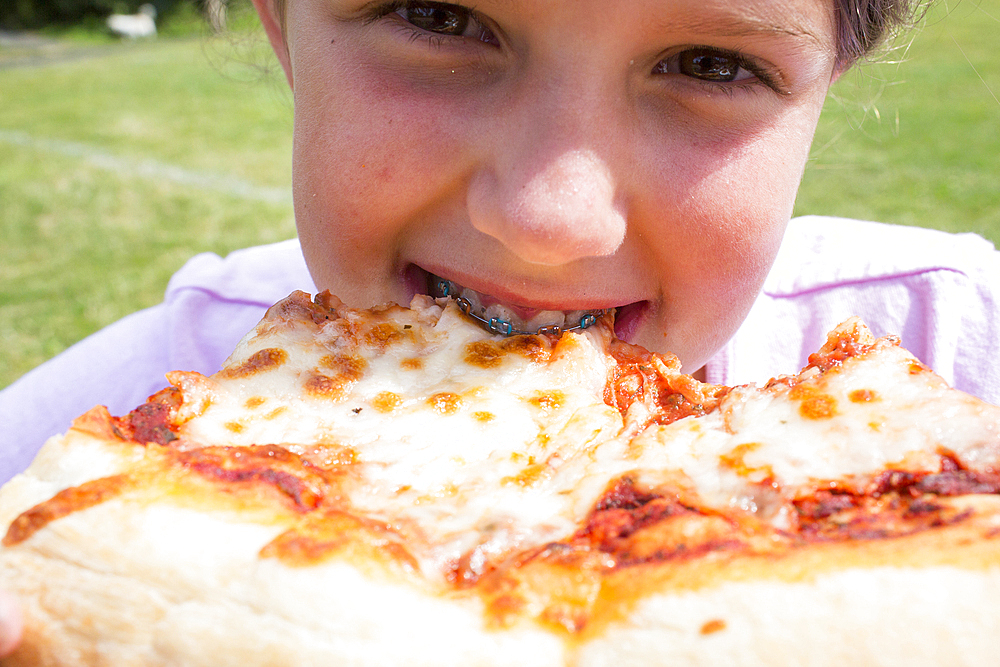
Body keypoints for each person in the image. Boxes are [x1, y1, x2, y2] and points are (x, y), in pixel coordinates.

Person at [3, 0, 998, 657]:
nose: (548, 218)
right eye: (441, 16)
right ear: (280, 27)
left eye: (710, 63)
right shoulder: (81, 467)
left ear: (826, 90)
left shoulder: (957, 353)